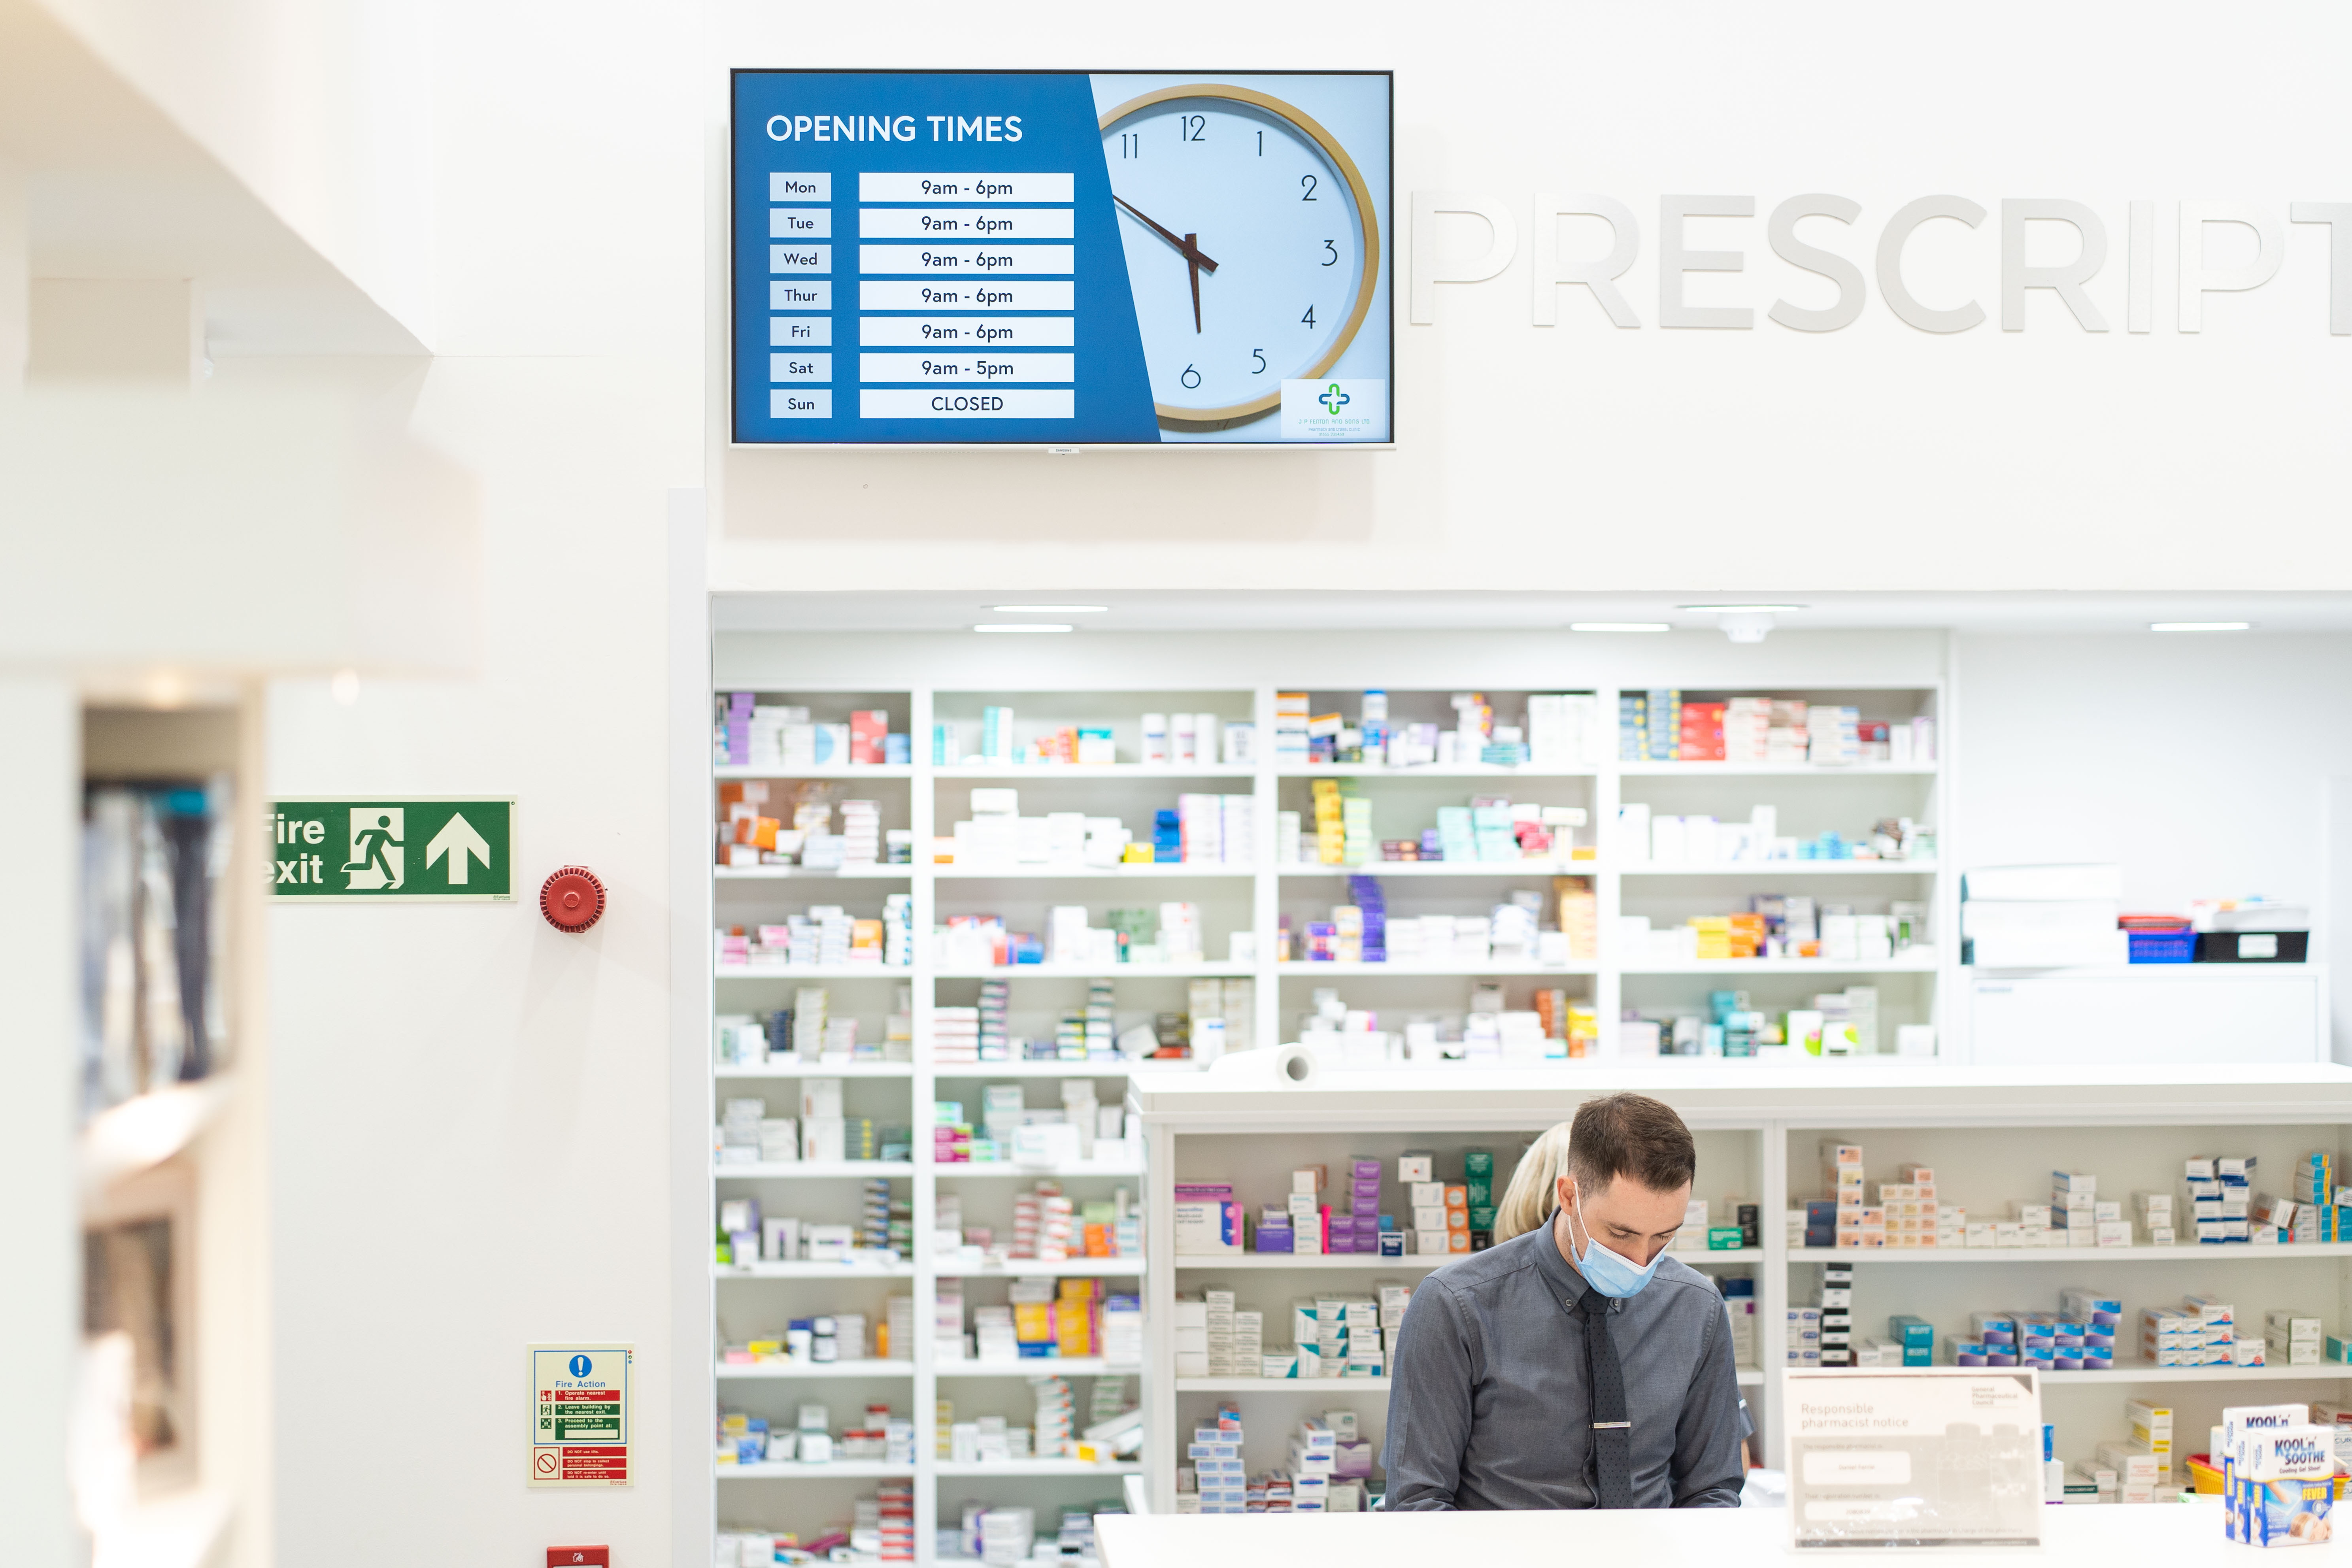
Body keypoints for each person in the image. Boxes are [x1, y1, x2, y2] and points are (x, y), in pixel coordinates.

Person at [1381, 1093, 1750, 1510]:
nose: (1641, 1260)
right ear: (1569, 1196)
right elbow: (1417, 1500)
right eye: (1621, 1234)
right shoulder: (1455, 1306)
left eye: (1664, 1235)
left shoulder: (1696, 1309)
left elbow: (1713, 1490)